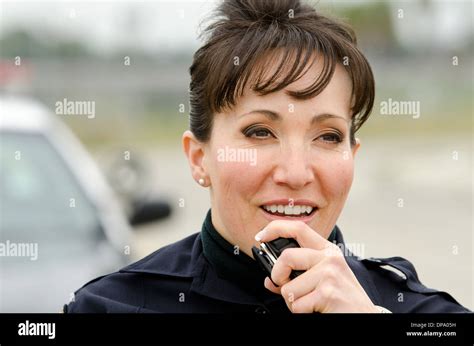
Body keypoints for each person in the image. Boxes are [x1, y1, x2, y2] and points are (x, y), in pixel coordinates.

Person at [64, 0, 470, 313]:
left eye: (328, 136)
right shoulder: (107, 307)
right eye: (260, 132)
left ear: (353, 155)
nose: (296, 174)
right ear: (199, 157)